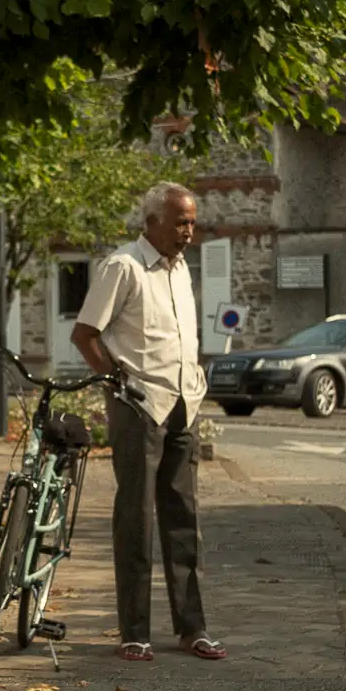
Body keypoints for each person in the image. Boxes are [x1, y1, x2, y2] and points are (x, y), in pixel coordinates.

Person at [70, 180, 227, 663]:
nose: (189, 232)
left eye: (193, 222)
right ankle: (134, 631)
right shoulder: (124, 267)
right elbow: (85, 334)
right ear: (152, 221)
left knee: (184, 519)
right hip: (138, 406)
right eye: (181, 222)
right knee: (135, 518)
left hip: (183, 402)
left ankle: (192, 628)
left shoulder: (181, 270)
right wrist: (118, 379)